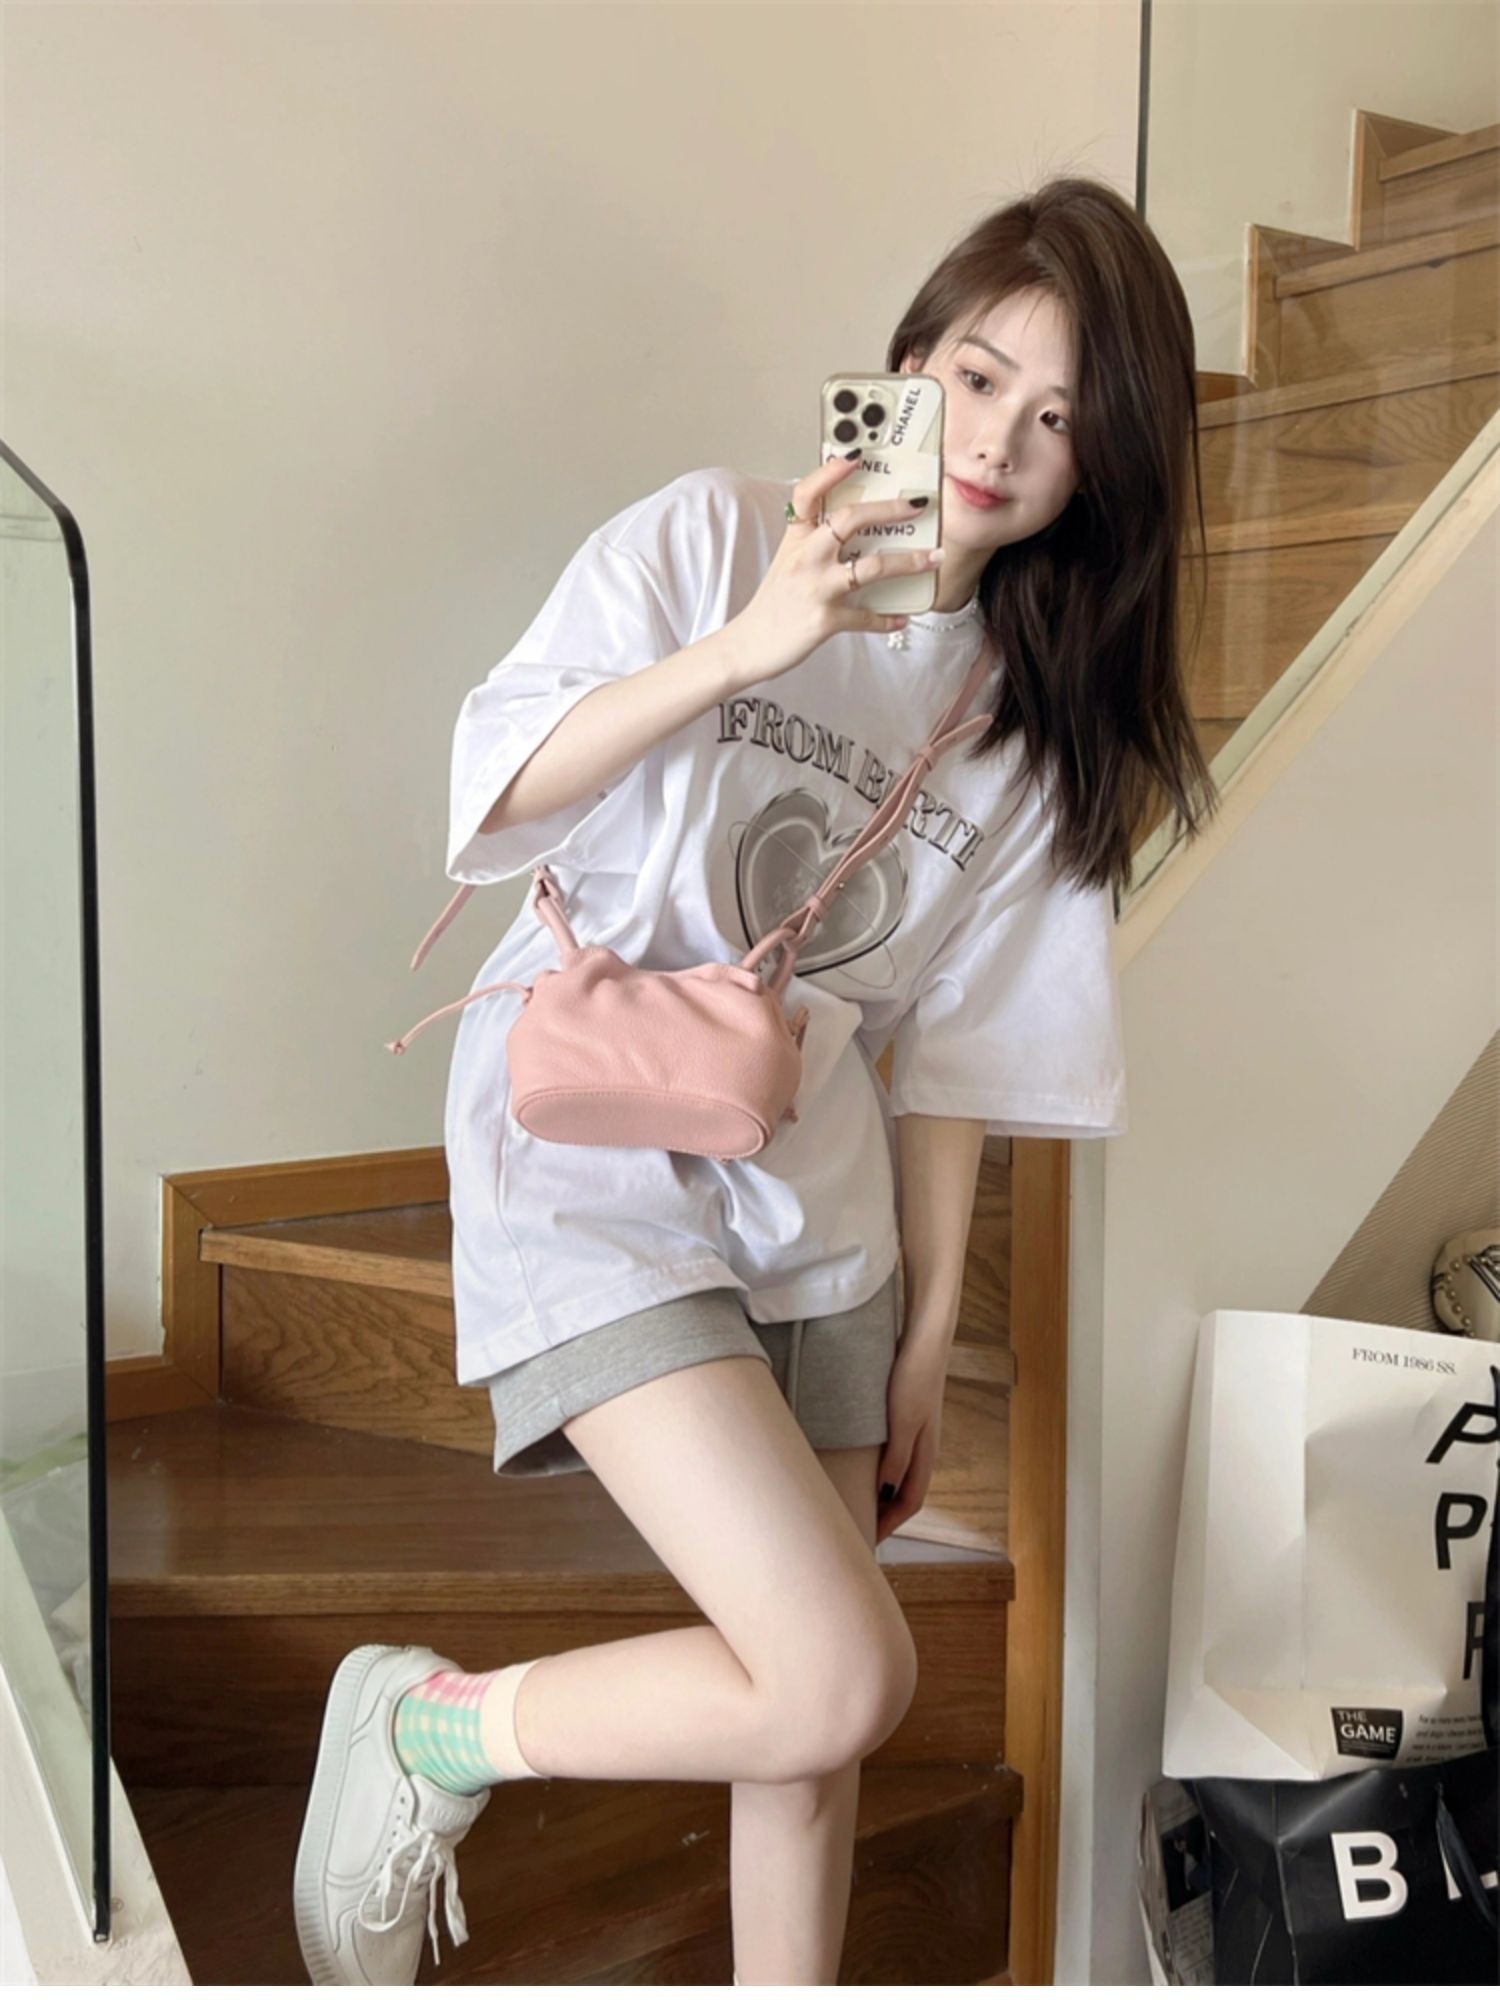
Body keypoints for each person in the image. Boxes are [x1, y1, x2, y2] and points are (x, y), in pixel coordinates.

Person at [293, 174, 1220, 1986]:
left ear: (1103, 469)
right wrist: (751, 647)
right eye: (977, 378)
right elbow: (494, 791)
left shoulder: (1037, 726)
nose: (997, 445)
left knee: (807, 1732)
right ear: (906, 361)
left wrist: (926, 1335)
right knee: (840, 1670)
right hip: (586, 1146)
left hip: (819, 1193)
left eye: (1059, 422)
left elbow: (958, 1052)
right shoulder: (711, 537)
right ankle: (427, 1732)